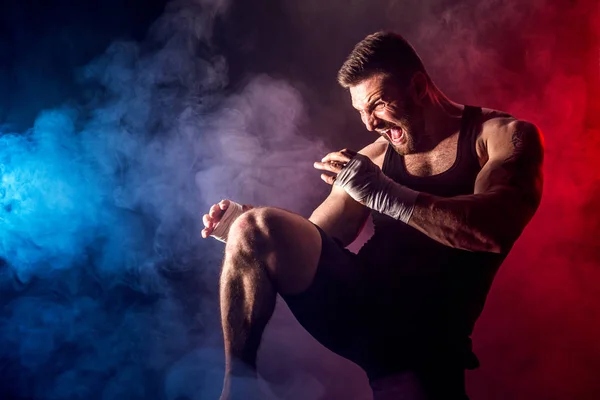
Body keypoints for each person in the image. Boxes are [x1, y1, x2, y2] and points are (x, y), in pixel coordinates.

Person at [201, 31, 544, 399]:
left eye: (379, 104)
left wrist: (386, 194)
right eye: (360, 111)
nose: (369, 124)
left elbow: (492, 231)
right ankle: (238, 391)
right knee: (254, 227)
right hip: (364, 307)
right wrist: (248, 236)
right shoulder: (378, 157)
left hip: (429, 337)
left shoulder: (501, 137)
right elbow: (318, 238)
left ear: (418, 87)